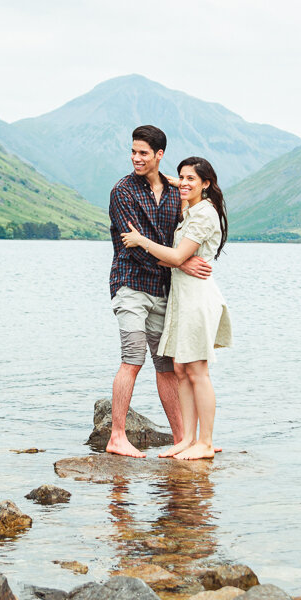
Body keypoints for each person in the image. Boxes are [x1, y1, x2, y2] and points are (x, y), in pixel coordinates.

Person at [107, 127, 212, 458]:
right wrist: (181, 264)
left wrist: (179, 262)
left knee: (167, 365)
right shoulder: (123, 192)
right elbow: (134, 246)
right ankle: (117, 436)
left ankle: (184, 438)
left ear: (159, 155)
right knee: (133, 357)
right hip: (131, 284)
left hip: (162, 289)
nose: (137, 158)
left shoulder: (172, 192)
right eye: (133, 152)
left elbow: (184, 231)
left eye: (143, 153)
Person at [121, 156, 231, 460]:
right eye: (180, 177)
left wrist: (142, 241)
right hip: (181, 297)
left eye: (191, 179)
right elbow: (175, 258)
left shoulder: (204, 214)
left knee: (197, 370)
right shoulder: (190, 208)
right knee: (181, 369)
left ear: (206, 184)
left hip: (197, 299)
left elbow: (174, 255)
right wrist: (175, 181)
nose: (183, 183)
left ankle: (205, 443)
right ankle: (187, 439)